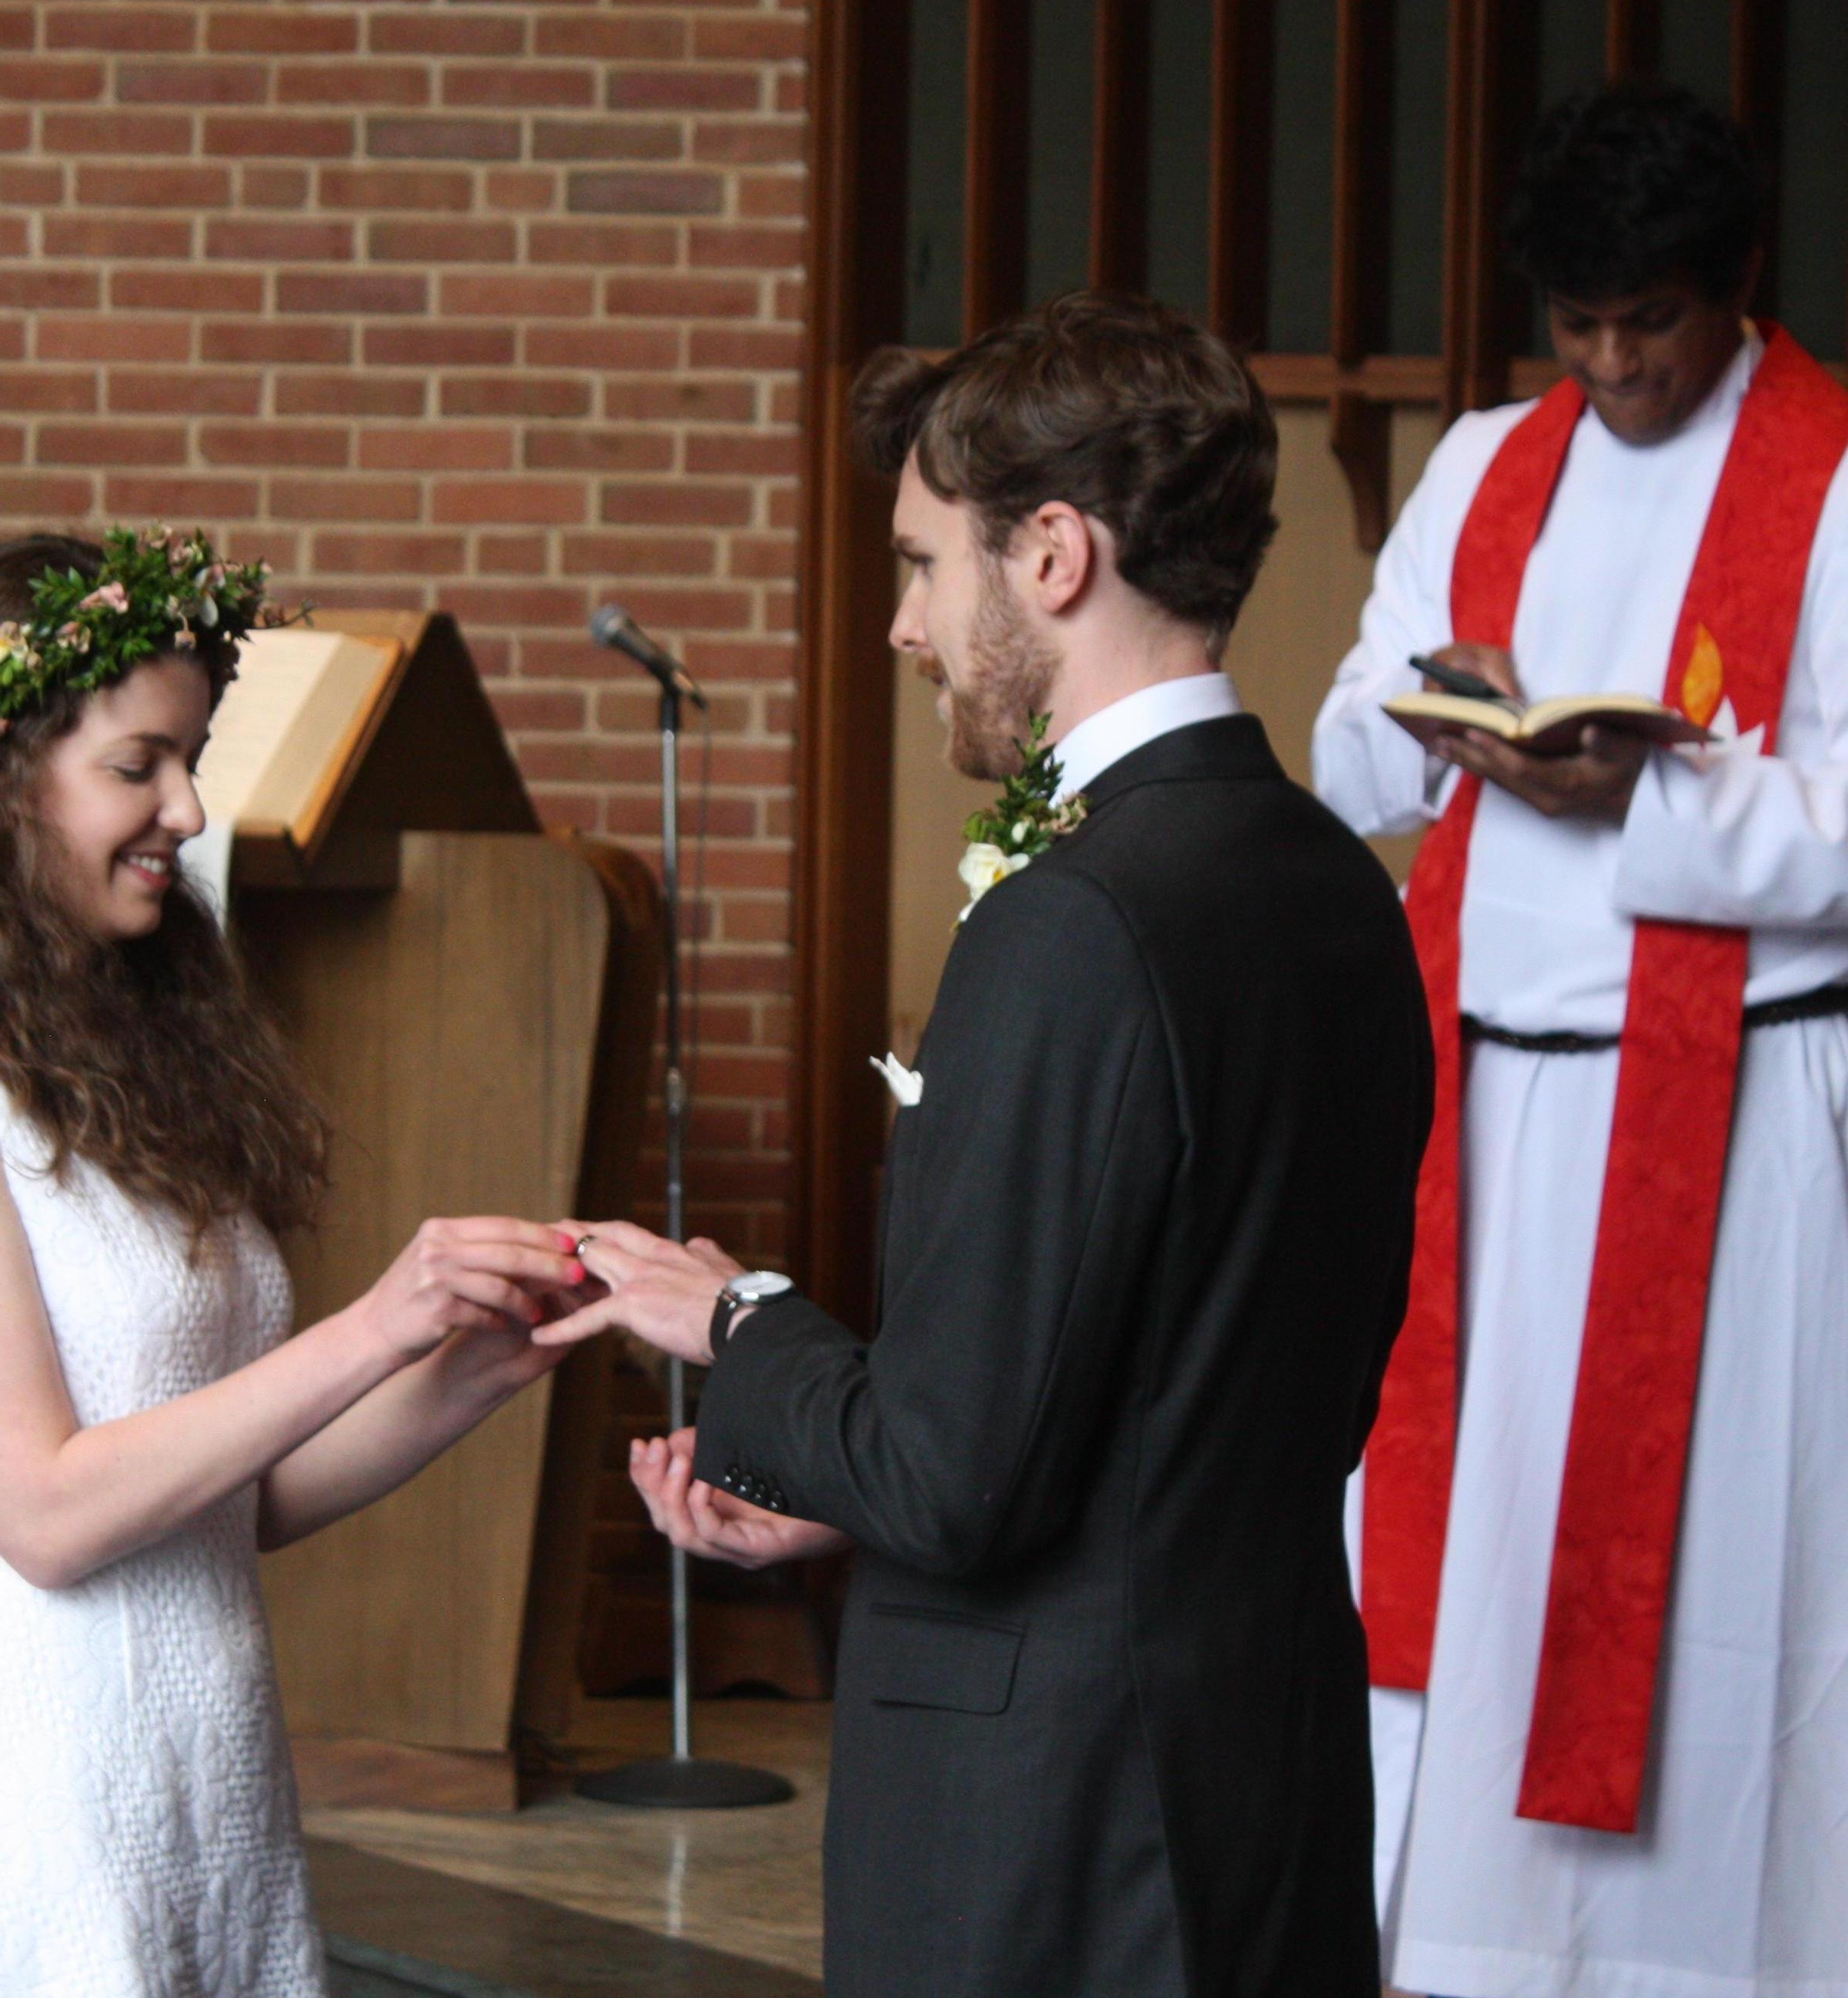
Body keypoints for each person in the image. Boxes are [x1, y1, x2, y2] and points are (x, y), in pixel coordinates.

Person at [537, 293, 1435, 1998]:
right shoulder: (1340, 889)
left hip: (1063, 1831)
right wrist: (833, 1491)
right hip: (1266, 1777)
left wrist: (736, 1320)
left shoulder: (1072, 919)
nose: (903, 626)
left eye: (921, 565)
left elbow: (958, 1475)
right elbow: (1209, 1401)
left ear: (1052, 556)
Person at [0, 528, 588, 1994]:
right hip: (31, 1806)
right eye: (141, 766)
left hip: (204, 1791)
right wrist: (379, 1321)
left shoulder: (105, 1053)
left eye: (193, 760)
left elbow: (223, 1504)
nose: (188, 810)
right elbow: (49, 1513)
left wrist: (469, 1368)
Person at [1315, 81, 1848, 1998]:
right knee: (1471, 1566)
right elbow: (1350, 741)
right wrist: (1446, 721)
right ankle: (1459, 1950)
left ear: (1742, 286)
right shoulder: (1486, 465)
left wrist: (1650, 795)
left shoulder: (1835, 479)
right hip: (1484, 1118)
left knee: (1711, 1576)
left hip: (1734, 1117)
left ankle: (1707, 1965)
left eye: (1656, 324)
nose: (1616, 366)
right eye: (1583, 324)